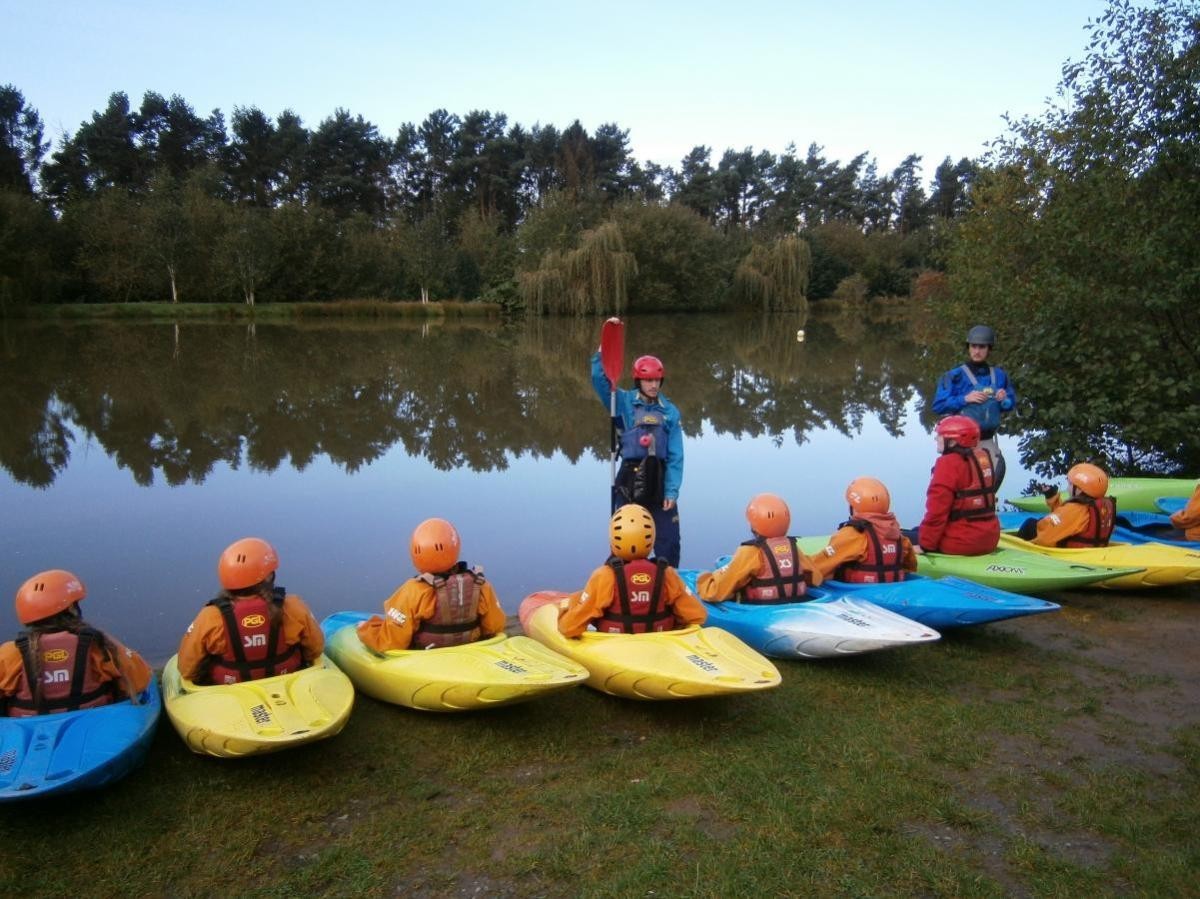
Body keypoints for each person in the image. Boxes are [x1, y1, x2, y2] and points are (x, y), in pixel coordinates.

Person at [591, 320, 684, 567]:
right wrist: (605, 347)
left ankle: (665, 586)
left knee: (669, 543)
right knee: (625, 542)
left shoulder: (670, 413)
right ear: (638, 381)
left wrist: (672, 491)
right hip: (630, 480)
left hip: (659, 479)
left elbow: (676, 456)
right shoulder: (621, 402)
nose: (654, 385)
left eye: (657, 380)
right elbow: (598, 378)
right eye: (648, 380)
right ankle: (619, 587)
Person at [0, 569, 151, 716]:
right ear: (72, 609)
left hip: (24, 733)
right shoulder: (99, 645)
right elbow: (140, 680)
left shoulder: (9, 653)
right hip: (95, 724)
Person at [177, 537, 324, 684]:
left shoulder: (210, 617)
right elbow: (315, 649)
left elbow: (187, 669)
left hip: (230, 691)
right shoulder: (293, 607)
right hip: (286, 682)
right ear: (269, 577)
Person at [356, 518, 507, 651]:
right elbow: (494, 626)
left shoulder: (413, 590)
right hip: (469, 650)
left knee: (371, 628)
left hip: (428, 656)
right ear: (455, 547)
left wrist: (366, 629)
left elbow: (392, 641)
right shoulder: (480, 584)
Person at [557, 504, 705, 637]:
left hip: (615, 646)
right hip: (660, 643)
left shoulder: (604, 576)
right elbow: (697, 616)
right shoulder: (667, 573)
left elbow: (569, 628)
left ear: (613, 539)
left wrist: (565, 612)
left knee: (577, 599)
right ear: (652, 539)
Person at [695, 493, 824, 601]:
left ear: (755, 524)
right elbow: (816, 578)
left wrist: (703, 581)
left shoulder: (750, 551)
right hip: (795, 602)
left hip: (761, 608)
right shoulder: (794, 548)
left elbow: (717, 591)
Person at [932, 325, 1016, 487]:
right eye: (973, 346)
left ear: (989, 349)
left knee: (989, 487)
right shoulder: (954, 376)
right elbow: (938, 405)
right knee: (960, 488)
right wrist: (965, 399)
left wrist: (1003, 399)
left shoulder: (999, 375)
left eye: (982, 347)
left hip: (987, 440)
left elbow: (1009, 404)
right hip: (960, 445)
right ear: (969, 348)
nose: (977, 351)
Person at [914, 415, 1000, 556]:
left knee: (903, 536)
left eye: (940, 435)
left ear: (953, 441)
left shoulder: (947, 465)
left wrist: (925, 546)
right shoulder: (982, 457)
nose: (936, 439)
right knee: (916, 530)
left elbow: (936, 513)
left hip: (960, 543)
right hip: (990, 538)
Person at [811, 478, 918, 583]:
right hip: (891, 591)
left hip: (856, 593)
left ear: (854, 507)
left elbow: (819, 566)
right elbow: (911, 566)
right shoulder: (898, 536)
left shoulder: (852, 534)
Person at [1016, 463, 1116, 547]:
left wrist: (1028, 546)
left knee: (1030, 523)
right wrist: (1052, 496)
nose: (1068, 488)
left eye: (1070, 484)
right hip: (1091, 546)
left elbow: (1047, 535)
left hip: (1069, 552)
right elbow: (1064, 518)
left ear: (1080, 489)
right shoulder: (1093, 506)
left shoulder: (1075, 509)